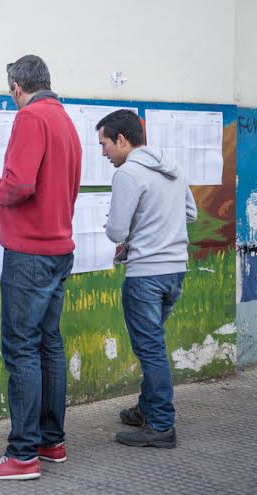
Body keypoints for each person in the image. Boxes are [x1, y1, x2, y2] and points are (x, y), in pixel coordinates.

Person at [0, 55, 81, 480]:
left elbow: (18, 184)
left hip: (29, 253)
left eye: (11, 92)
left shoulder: (30, 118)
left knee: (21, 348)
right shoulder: (65, 121)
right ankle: (51, 441)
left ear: (17, 87)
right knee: (48, 344)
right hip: (58, 249)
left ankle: (22, 454)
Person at [96, 109, 197, 449]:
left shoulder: (128, 173)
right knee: (153, 344)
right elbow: (191, 213)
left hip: (145, 276)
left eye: (105, 144)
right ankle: (147, 408)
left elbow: (117, 231)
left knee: (151, 351)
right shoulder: (171, 166)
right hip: (175, 271)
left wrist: (124, 230)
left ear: (122, 139)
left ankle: (161, 426)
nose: (103, 152)